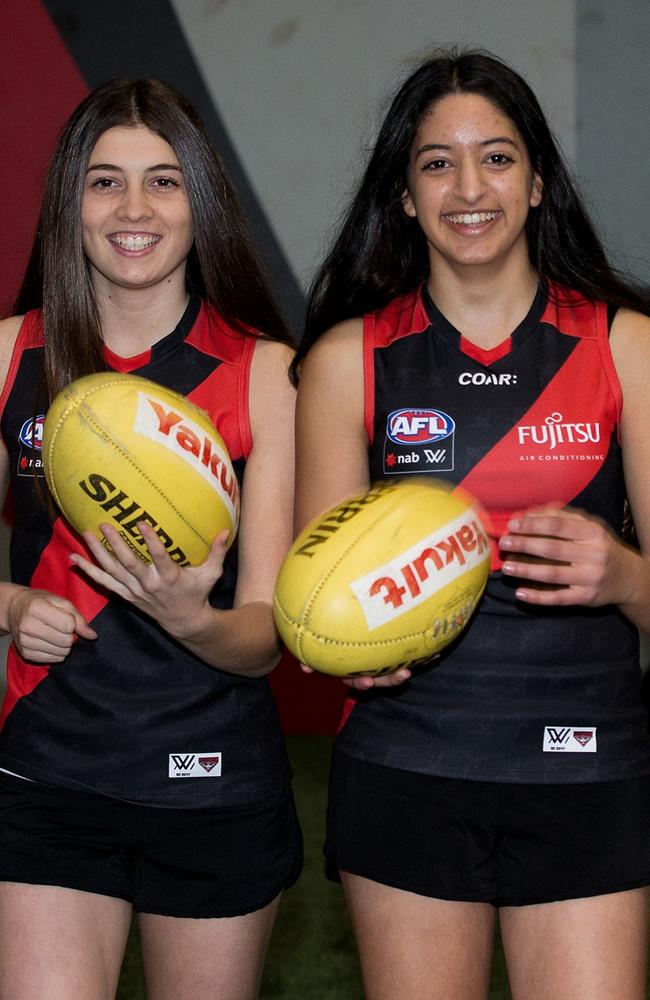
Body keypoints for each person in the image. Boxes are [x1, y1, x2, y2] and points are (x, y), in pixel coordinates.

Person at [294, 48, 650, 1000]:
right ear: (404, 196)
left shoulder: (626, 345)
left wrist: (624, 574)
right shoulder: (346, 358)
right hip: (407, 768)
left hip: (588, 767)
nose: (468, 186)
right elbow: (313, 610)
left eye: (496, 157)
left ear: (538, 182)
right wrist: (344, 649)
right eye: (435, 162)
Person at [0, 78, 301, 1000]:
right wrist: (11, 605)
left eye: (164, 181)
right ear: (69, 203)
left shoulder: (269, 374)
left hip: (211, 778)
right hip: (43, 767)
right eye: (105, 182)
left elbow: (268, 627)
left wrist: (191, 620)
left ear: (200, 202)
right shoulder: (12, 353)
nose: (134, 209)